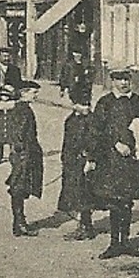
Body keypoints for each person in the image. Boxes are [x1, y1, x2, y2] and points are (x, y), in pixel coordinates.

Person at [87, 68, 139, 259]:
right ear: (112, 81)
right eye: (119, 79)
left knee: (127, 201)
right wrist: (114, 143)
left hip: (131, 163)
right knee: (114, 201)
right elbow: (95, 130)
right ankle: (114, 243)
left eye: (126, 79)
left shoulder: (138, 102)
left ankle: (125, 241)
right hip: (110, 161)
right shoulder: (105, 103)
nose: (123, 83)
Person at [0, 80, 44, 237]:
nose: (36, 96)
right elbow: (18, 134)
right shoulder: (22, 110)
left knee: (20, 186)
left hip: (24, 153)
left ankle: (19, 222)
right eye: (33, 92)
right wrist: (23, 152)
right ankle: (19, 223)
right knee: (19, 187)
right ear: (24, 93)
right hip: (24, 154)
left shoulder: (22, 108)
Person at [57, 74, 98, 240]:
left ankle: (86, 227)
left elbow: (94, 141)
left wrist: (90, 159)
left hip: (84, 163)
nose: (85, 107)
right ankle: (83, 224)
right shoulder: (71, 120)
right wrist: (64, 161)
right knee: (75, 193)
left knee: (85, 194)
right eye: (81, 104)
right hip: (72, 163)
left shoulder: (91, 120)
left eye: (87, 104)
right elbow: (66, 143)